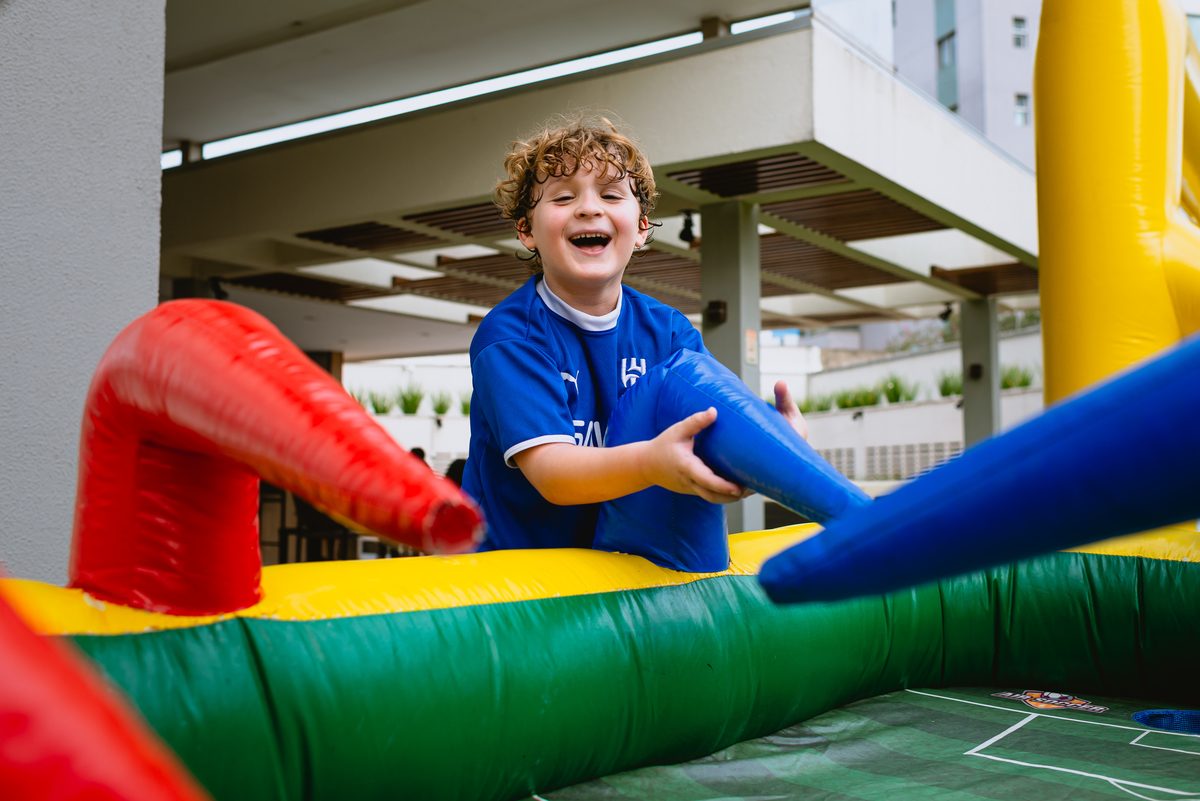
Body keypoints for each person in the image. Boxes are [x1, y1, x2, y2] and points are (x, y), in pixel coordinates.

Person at [461, 115, 806, 551]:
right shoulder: (512, 338)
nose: (589, 207)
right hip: (519, 581)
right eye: (563, 197)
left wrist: (775, 449)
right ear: (527, 231)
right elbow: (553, 474)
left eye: (610, 194)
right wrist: (651, 464)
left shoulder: (668, 332)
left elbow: (718, 428)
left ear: (642, 227)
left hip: (622, 571)